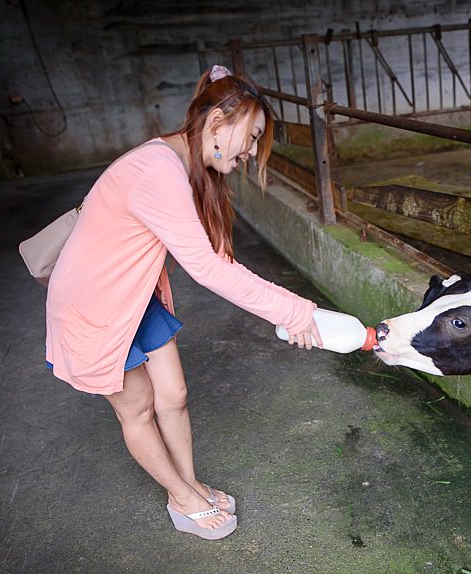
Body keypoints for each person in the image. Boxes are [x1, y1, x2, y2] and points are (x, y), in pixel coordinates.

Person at [44, 65, 321, 541]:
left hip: (134, 297)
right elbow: (210, 268)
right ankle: (180, 496)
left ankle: (189, 481)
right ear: (217, 122)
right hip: (95, 307)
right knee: (139, 409)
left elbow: (210, 257)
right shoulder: (157, 170)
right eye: (251, 138)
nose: (251, 151)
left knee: (174, 394)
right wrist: (293, 309)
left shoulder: (177, 164)